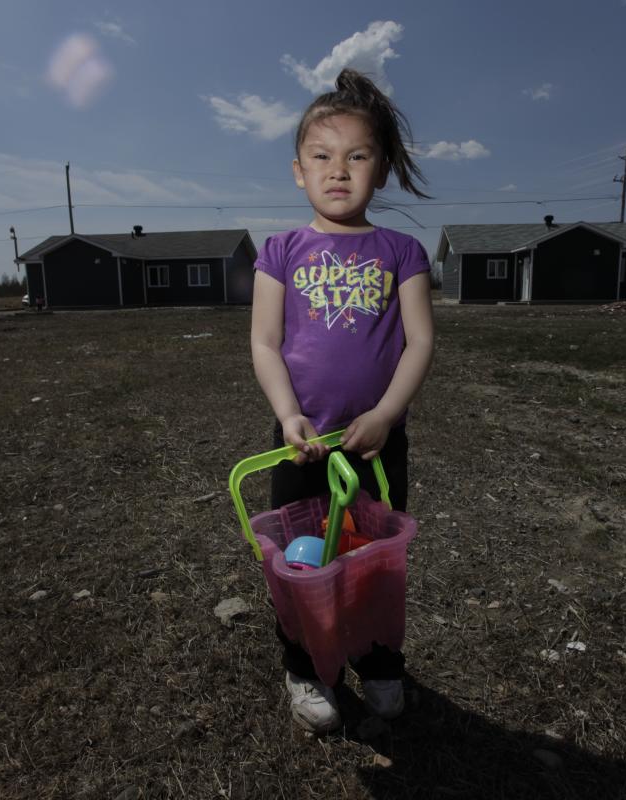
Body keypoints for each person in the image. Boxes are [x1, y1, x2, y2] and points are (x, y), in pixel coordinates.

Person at [250, 68, 435, 734]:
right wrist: (288, 415)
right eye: (321, 156)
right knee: (303, 561)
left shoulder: (403, 251)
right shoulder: (280, 251)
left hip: (378, 444)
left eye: (357, 156)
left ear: (381, 170)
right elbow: (265, 343)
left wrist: (385, 415)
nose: (338, 170)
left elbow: (419, 342)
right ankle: (305, 669)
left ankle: (379, 664)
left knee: (373, 559)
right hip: (302, 443)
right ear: (298, 171)